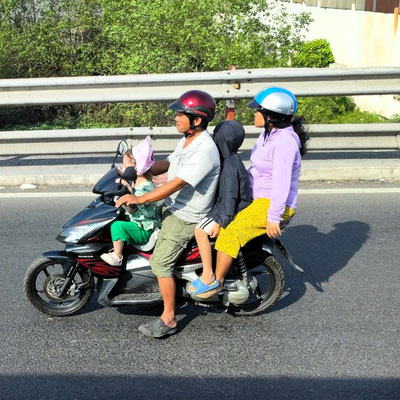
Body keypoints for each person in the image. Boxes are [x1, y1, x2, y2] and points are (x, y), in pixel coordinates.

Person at [116, 90, 220, 337]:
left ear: (196, 119)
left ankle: (169, 318)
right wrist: (144, 171)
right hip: (174, 205)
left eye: (180, 114)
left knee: (160, 263)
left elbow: (175, 184)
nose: (175, 118)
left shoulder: (204, 150)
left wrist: (140, 196)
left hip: (186, 215)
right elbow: (170, 163)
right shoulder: (187, 140)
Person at [197, 86, 310, 299]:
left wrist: (273, 218)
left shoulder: (284, 143)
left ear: (271, 116)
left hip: (274, 204)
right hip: (260, 199)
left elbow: (281, 184)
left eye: (257, 111)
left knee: (231, 234)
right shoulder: (268, 135)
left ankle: (216, 282)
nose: (253, 114)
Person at [187, 120, 252, 295]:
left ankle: (208, 275)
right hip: (224, 205)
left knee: (200, 231)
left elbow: (230, 198)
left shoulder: (229, 165)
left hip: (230, 209)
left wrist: (220, 221)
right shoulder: (228, 158)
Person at [100, 136, 160, 266]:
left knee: (117, 226)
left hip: (143, 229)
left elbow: (133, 208)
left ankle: (117, 255)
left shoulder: (144, 188)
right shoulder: (139, 181)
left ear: (135, 167)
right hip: (140, 224)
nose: (124, 168)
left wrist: (127, 198)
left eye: (126, 166)